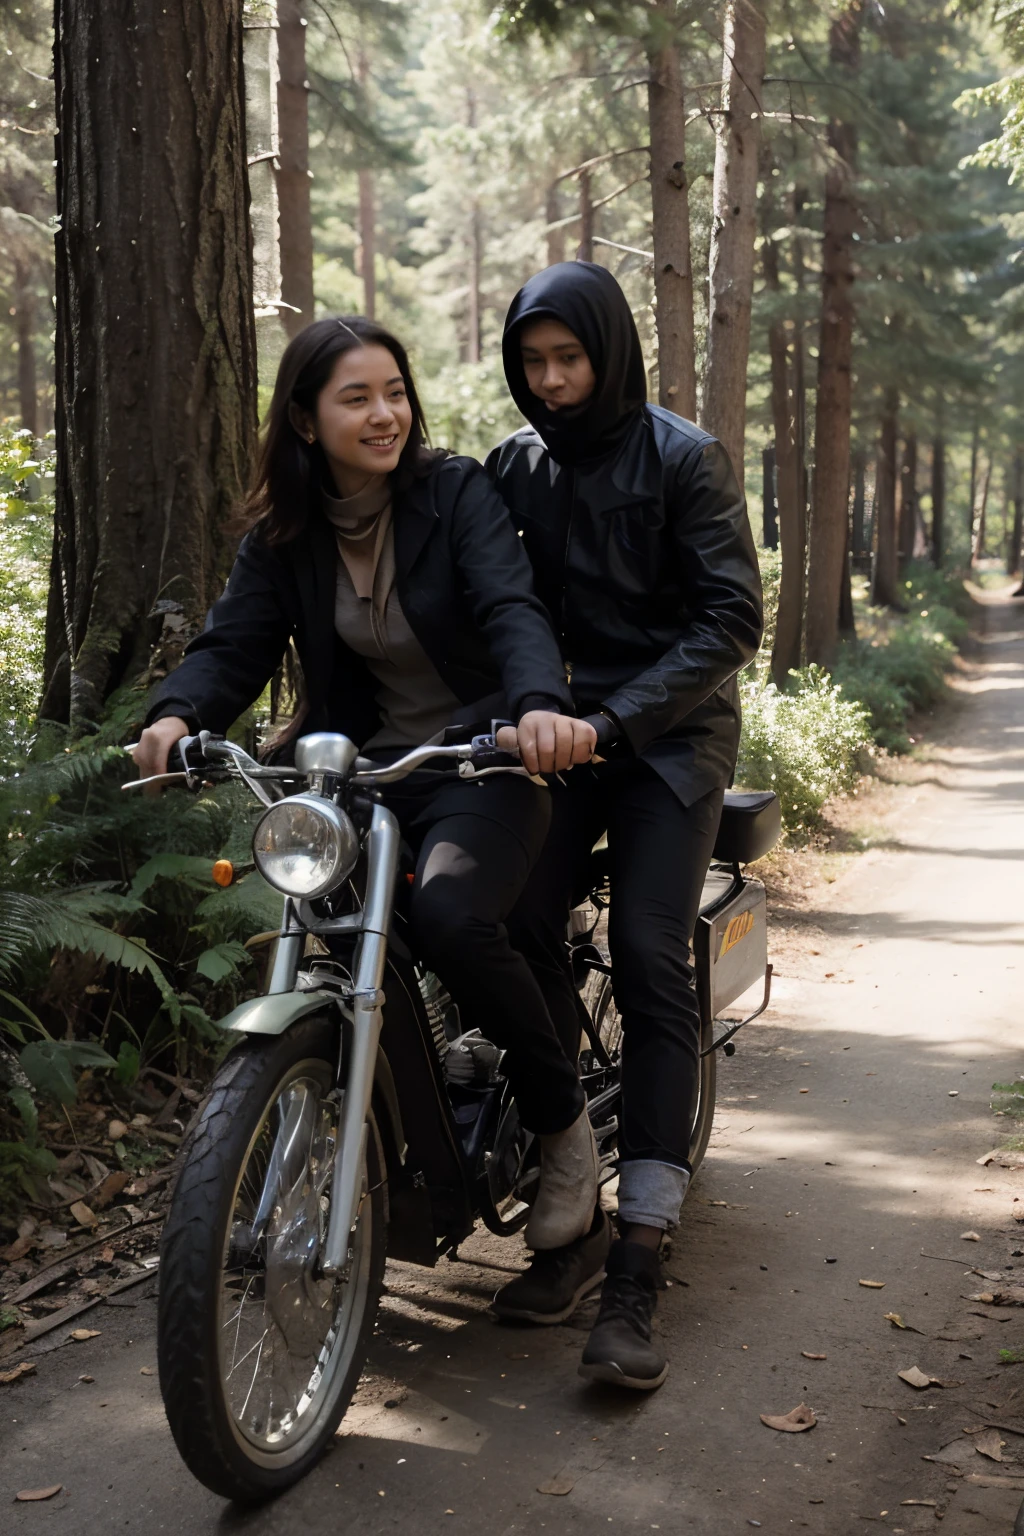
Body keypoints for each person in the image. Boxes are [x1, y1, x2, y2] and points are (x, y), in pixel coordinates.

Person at [132, 314, 600, 1252]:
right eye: (358, 398)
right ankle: (351, 1135)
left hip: (481, 755)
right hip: (361, 769)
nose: (386, 414)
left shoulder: (454, 492)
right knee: (327, 937)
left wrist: (540, 707)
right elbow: (234, 644)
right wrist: (178, 716)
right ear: (306, 421)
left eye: (395, 392)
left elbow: (511, 607)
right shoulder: (282, 533)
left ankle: (563, 1130)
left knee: (456, 916)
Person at [487, 263, 763, 1389]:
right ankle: (569, 1193)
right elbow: (487, 604)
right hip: (557, 733)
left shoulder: (684, 457)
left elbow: (730, 618)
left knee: (649, 951)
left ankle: (638, 1258)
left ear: (611, 351)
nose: (552, 383)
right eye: (532, 363)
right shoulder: (512, 467)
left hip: (668, 737)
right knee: (503, 927)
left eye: (570, 358)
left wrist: (613, 718)